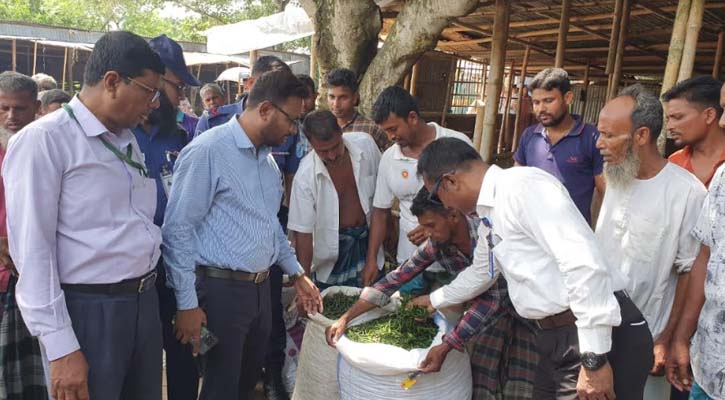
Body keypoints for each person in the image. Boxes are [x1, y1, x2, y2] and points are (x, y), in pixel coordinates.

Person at [417, 137, 654, 399]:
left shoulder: (523, 188)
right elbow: (483, 271)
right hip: (554, 338)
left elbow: (582, 264)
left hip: (591, 335)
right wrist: (434, 299)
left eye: (437, 195)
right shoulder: (489, 213)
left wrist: (594, 358)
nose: (446, 206)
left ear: (450, 181)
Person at [3, 31, 166, 400]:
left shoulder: (126, 138)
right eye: (147, 91)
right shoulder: (45, 140)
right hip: (88, 311)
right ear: (112, 82)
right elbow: (33, 252)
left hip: (141, 303)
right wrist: (61, 347)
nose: (153, 103)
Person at [162, 70, 323, 400]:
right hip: (221, 292)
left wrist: (297, 272)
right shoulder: (207, 151)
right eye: (291, 120)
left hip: (261, 291)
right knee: (220, 387)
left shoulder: (267, 164)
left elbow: (270, 226)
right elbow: (177, 231)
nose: (294, 130)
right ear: (265, 110)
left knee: (246, 384)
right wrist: (187, 304)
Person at [327, 187, 538, 399]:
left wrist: (448, 344)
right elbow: (395, 278)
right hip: (491, 318)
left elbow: (493, 299)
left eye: (431, 225)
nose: (426, 233)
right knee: (484, 382)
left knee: (525, 385)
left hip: (530, 315)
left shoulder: (489, 237)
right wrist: (346, 318)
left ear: (453, 216)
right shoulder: (437, 245)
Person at [595, 84, 707, 400]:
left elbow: (689, 273)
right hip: (599, 328)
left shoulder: (687, 193)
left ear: (642, 136)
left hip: (648, 336)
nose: (599, 144)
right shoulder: (616, 176)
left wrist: (667, 339)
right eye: (599, 134)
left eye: (609, 135)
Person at [130, 33, 202, 400]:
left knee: (184, 357)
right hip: (130, 272)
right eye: (177, 86)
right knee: (136, 363)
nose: (181, 97)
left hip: (174, 265)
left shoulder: (183, 137)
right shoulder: (117, 136)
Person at [365, 86, 473, 289]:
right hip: (410, 261)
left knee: (451, 315)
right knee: (408, 314)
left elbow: (475, 203)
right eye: (386, 131)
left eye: (393, 129)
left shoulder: (456, 144)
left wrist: (435, 226)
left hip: (456, 261)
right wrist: (372, 258)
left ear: (412, 117)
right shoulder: (390, 157)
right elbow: (380, 211)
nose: (390, 137)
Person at [288, 110, 382, 289]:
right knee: (331, 306)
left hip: (370, 242)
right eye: (323, 151)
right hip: (330, 253)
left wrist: (373, 257)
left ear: (341, 132)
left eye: (335, 146)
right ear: (311, 144)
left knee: (372, 304)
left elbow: (381, 201)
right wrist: (305, 282)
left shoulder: (366, 145)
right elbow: (303, 234)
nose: (331, 155)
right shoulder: (305, 175)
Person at [0, 71, 46, 399]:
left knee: (36, 380)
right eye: (3, 108)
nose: (11, 117)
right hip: (5, 279)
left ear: (37, 107)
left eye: (20, 109)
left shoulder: (48, 148)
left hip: (41, 279)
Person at [514, 68, 605, 225]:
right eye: (536, 102)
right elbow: (517, 182)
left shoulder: (592, 138)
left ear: (568, 98)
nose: (541, 109)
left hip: (573, 236)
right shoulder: (529, 136)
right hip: (532, 231)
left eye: (549, 101)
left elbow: (605, 191)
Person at [666, 162, 725, 400]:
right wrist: (682, 337)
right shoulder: (723, 176)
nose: (723, 121)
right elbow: (705, 256)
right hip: (709, 367)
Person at [194, 55, 290, 137]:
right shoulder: (211, 120)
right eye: (273, 87)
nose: (279, 95)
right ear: (250, 84)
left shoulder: (287, 127)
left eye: (284, 89)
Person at [663, 76, 725, 187]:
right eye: (668, 119)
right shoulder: (674, 162)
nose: (669, 126)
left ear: (709, 115)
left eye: (677, 117)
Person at [325, 68, 390, 151]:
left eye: (343, 97)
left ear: (355, 97)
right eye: (332, 97)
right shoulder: (322, 127)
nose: (336, 104)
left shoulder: (372, 129)